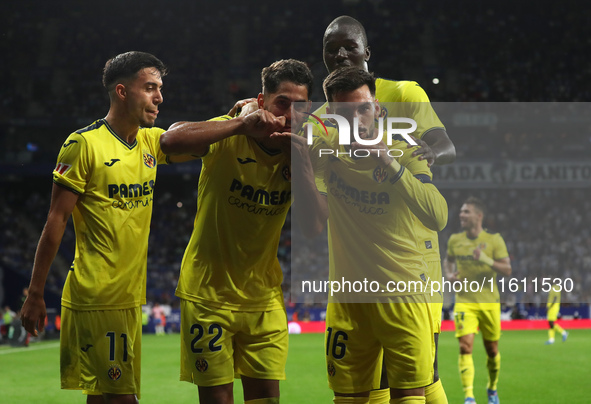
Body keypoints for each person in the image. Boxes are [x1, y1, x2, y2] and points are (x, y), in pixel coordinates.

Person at [20, 51, 181, 404]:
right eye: (150, 87)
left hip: (127, 296)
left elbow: (193, 138)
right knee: (123, 397)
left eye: (160, 88)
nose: (159, 97)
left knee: (103, 396)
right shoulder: (84, 144)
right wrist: (35, 293)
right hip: (98, 295)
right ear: (122, 91)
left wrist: (237, 119)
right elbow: (56, 218)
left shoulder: (150, 141)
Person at [317, 15, 456, 404]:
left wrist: (414, 157)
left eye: (350, 46)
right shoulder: (330, 105)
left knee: (422, 374)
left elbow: (444, 144)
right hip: (359, 264)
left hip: (414, 259)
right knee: (372, 380)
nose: (341, 54)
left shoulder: (404, 92)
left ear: (367, 52)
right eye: (332, 49)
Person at [159, 59, 314, 404]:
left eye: (299, 108)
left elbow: (314, 227)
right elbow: (169, 141)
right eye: (282, 103)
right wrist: (239, 125)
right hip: (208, 295)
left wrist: (300, 161)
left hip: (264, 297)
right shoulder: (232, 132)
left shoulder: (307, 151)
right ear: (262, 102)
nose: (290, 115)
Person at [444, 197, 512, 404]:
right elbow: (447, 260)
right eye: (461, 212)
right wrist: (448, 275)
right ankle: (469, 397)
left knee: (492, 350)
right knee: (465, 347)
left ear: (478, 216)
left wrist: (485, 259)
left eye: (466, 212)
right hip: (465, 302)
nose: (461, 215)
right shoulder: (455, 240)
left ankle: (492, 388)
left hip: (489, 303)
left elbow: (507, 270)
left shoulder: (494, 240)